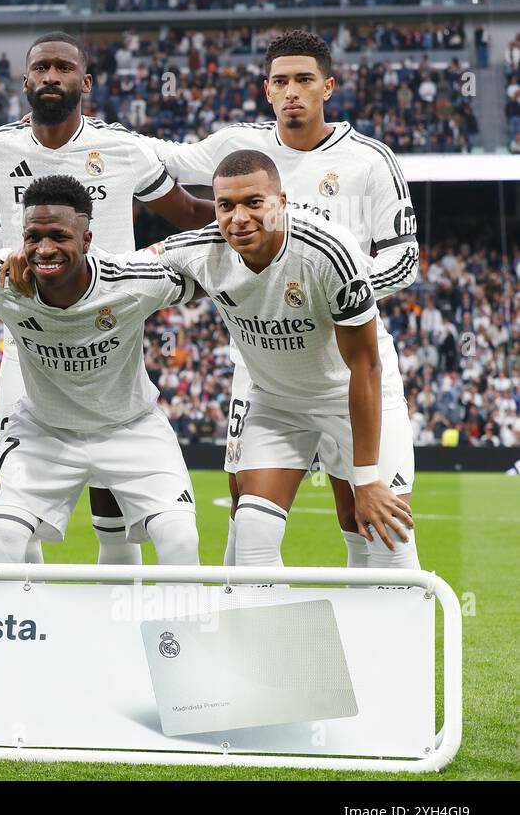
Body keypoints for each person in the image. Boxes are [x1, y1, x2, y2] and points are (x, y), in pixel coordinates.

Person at [139, 28, 419, 570]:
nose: (292, 90)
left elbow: (404, 261)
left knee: (369, 525)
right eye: (280, 81)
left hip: (346, 356)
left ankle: (374, 643)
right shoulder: (236, 147)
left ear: (328, 86)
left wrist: (336, 293)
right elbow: (169, 161)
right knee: (247, 523)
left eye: (304, 80)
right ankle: (247, 640)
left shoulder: (370, 160)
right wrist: (98, 141)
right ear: (266, 90)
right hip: (263, 369)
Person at [0, 31, 213, 567]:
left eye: (64, 68)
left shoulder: (123, 149)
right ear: (25, 82)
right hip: (31, 329)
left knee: (112, 504)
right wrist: (2, 252)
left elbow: (190, 215)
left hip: (114, 317)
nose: (51, 77)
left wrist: (260, 218)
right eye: (41, 68)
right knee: (19, 516)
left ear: (85, 83)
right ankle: (34, 630)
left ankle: (123, 628)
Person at [0, 175, 200, 564]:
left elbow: (208, 272)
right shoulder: (0, 276)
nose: (45, 249)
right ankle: (28, 624)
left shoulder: (133, 281)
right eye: (33, 237)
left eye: (59, 236)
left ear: (87, 240)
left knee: (181, 540)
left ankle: (174, 627)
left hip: (131, 427)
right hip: (43, 431)